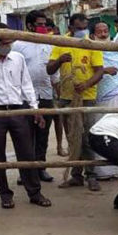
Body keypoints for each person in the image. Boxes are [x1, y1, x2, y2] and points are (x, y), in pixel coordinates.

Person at [0, 23, 52, 209]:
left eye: (10, 42)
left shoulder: (18, 58)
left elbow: (26, 84)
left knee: (27, 154)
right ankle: (5, 194)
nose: (8, 46)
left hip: (18, 110)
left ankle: (35, 192)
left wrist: (35, 109)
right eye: (5, 43)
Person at [47, 13, 105, 191]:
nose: (83, 31)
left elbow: (99, 71)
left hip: (86, 97)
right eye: (80, 28)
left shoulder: (91, 44)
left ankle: (92, 175)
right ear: (70, 28)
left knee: (87, 137)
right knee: (73, 137)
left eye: (85, 27)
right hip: (66, 97)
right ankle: (76, 175)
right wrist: (60, 60)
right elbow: (49, 69)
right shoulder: (60, 43)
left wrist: (86, 84)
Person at [12, 10, 59, 182]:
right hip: (24, 97)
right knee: (25, 135)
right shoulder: (18, 45)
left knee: (43, 134)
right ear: (30, 26)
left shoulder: (50, 44)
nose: (43, 28)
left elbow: (54, 72)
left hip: (45, 94)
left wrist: (56, 89)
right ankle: (25, 172)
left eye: (45, 24)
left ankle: (40, 168)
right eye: (39, 24)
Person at [91, 21, 118, 180]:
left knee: (116, 133)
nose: (103, 34)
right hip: (96, 99)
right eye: (99, 31)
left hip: (115, 98)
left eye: (106, 30)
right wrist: (104, 71)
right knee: (98, 132)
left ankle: (116, 168)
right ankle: (100, 171)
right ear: (93, 34)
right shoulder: (91, 50)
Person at [46, 18, 68, 156]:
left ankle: (60, 146)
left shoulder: (59, 45)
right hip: (47, 86)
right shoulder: (44, 44)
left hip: (58, 84)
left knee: (59, 119)